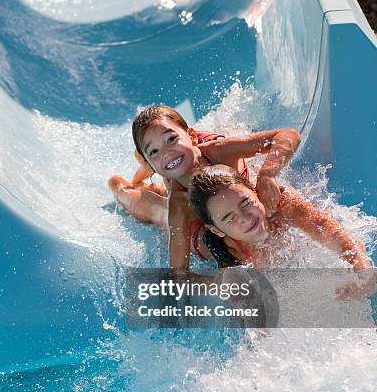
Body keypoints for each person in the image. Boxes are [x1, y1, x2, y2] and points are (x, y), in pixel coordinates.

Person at [108, 105, 301, 271]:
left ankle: (145, 162)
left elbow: (287, 135)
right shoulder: (180, 203)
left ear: (192, 136)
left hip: (195, 159)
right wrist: (217, 284)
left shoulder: (218, 151)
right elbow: (179, 275)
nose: (166, 152)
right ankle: (120, 188)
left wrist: (267, 174)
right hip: (198, 218)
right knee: (159, 212)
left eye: (170, 139)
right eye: (154, 151)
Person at [189, 164, 376, 300]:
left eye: (245, 202)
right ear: (218, 229)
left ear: (255, 191)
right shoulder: (230, 253)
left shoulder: (282, 203)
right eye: (230, 218)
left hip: (218, 212)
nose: (245, 218)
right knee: (170, 218)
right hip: (200, 238)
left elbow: (333, 233)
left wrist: (362, 271)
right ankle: (160, 202)